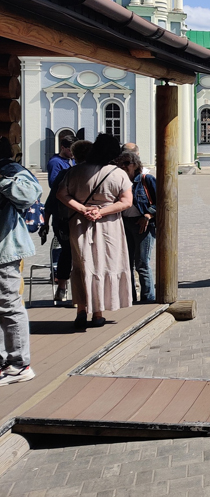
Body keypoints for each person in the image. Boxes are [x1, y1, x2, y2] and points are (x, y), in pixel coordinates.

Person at [57, 133, 132, 329]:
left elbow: (60, 194)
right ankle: (98, 313)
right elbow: (126, 202)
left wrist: (82, 209)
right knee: (103, 265)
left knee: (82, 265)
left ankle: (81, 309)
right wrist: (101, 211)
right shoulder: (118, 173)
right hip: (108, 226)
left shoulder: (75, 171)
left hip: (80, 224)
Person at [0, 137, 43, 385]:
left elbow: (30, 193)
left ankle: (19, 365)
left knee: (9, 305)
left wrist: (3, 179)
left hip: (5, 251)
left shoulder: (11, 171)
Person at [118, 150, 157, 302]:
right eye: (120, 164)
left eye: (126, 164)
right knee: (126, 264)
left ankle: (148, 298)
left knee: (142, 263)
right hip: (124, 224)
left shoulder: (146, 179)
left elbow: (163, 200)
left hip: (143, 225)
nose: (122, 167)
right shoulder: (121, 181)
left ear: (134, 165)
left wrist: (148, 214)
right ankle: (130, 297)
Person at [47, 135, 76, 304]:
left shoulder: (72, 162)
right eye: (70, 150)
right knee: (67, 251)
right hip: (62, 214)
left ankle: (65, 287)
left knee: (69, 252)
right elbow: (54, 187)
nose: (72, 153)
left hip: (70, 212)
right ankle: (62, 286)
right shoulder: (55, 163)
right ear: (64, 147)